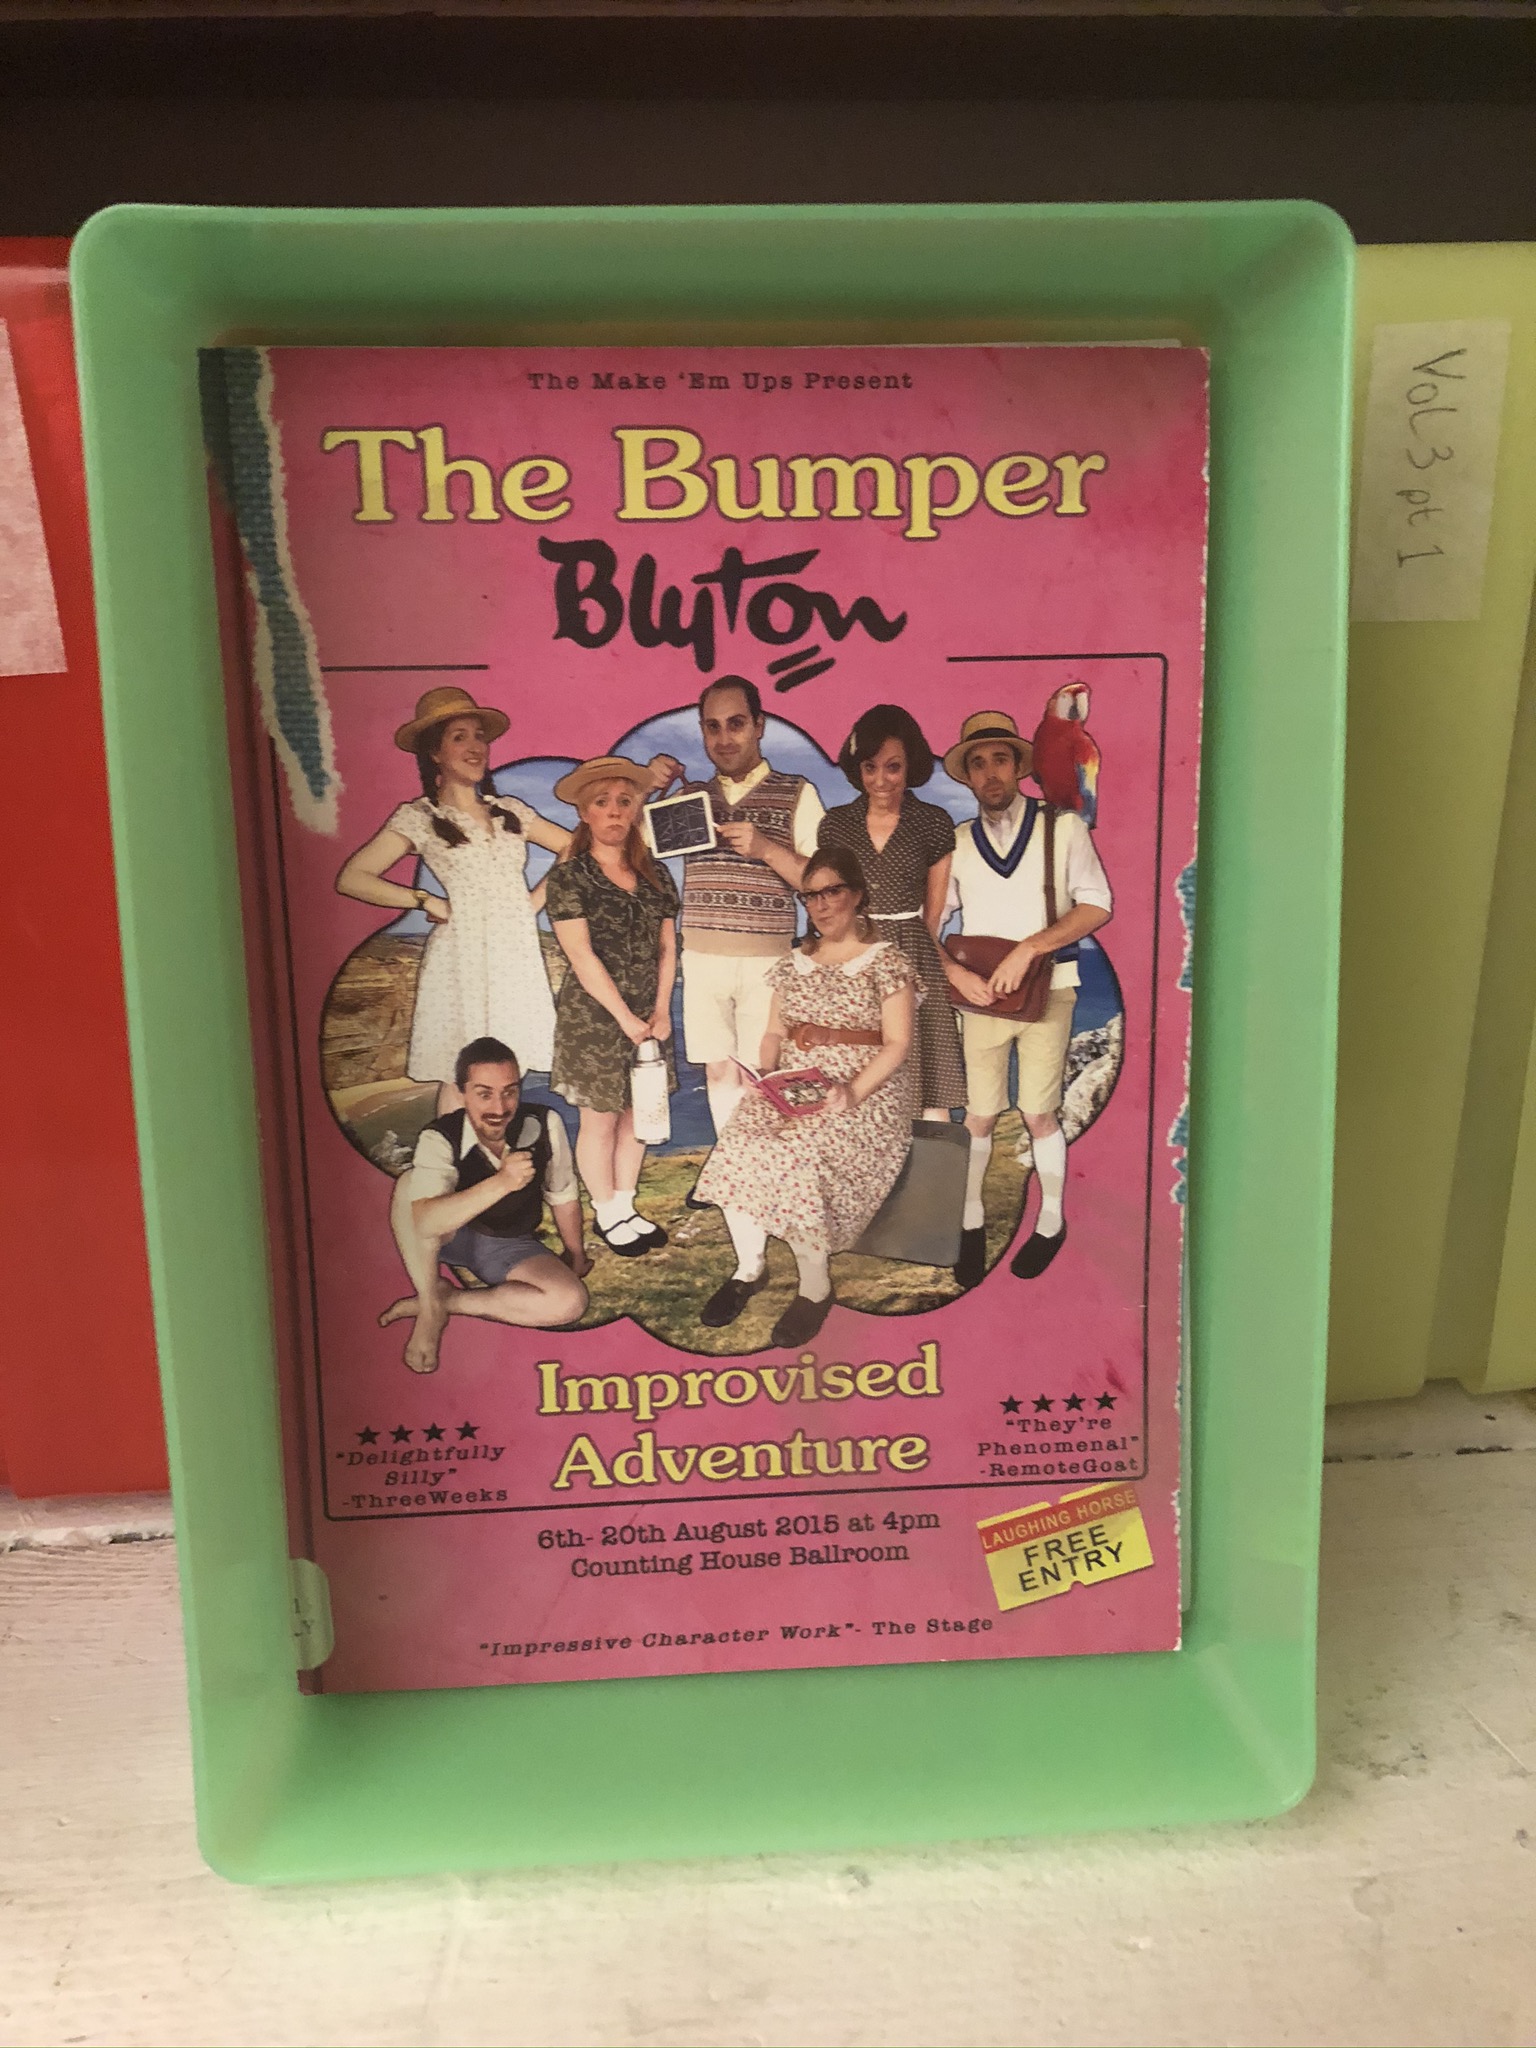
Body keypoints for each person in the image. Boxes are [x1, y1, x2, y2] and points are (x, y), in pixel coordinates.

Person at [693, 846, 917, 1349]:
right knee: (741, 1143)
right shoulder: (793, 963)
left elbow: (898, 1044)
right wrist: (766, 1071)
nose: (820, 905)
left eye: (832, 891)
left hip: (865, 1091)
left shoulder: (887, 961)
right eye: (810, 896)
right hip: (796, 1082)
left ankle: (816, 1287)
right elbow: (774, 1032)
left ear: (857, 895)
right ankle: (750, 1269)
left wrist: (852, 1092)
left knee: (797, 1153)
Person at [939, 710, 1113, 1289]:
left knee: (1039, 1114)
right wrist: (955, 975)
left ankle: (1051, 1221)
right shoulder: (957, 843)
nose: (990, 773)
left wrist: (1030, 949)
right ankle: (969, 1222)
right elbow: (927, 923)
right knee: (979, 1116)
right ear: (968, 775)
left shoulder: (1063, 828)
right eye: (978, 763)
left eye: (1000, 759)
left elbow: (1097, 904)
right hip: (980, 997)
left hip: (1051, 989)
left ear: (1019, 766)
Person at [335, 687, 570, 1111]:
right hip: (462, 956)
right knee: (461, 1075)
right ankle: (449, 1153)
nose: (475, 747)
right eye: (459, 737)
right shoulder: (422, 817)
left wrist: (534, 901)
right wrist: (424, 900)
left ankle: (497, 1154)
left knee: (508, 1072)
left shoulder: (510, 811)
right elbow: (353, 878)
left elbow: (574, 847)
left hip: (515, 954)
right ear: (435, 753)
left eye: (479, 736)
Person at [653, 677, 826, 1166]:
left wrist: (766, 848)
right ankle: (735, 1174)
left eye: (736, 724)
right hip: (701, 958)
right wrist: (648, 787)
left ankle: (766, 1174)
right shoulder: (689, 798)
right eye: (712, 727)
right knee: (718, 1074)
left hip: (769, 962)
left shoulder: (797, 793)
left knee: (763, 1074)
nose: (724, 738)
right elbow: (628, 848)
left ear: (759, 725)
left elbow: (821, 883)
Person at [379, 1037, 590, 1373]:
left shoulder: (544, 1123)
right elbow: (426, 1224)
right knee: (409, 1186)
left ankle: (449, 1300)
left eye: (510, 1092)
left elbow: (562, 1192)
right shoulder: (439, 1136)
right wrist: (502, 1182)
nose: (499, 1107)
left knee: (570, 1302)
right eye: (484, 1094)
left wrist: (575, 1252)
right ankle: (430, 1307)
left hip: (507, 1243)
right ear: (462, 1093)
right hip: (444, 1240)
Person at [545, 757, 680, 1258]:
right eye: (602, 802)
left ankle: (626, 1205)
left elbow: (668, 947)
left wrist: (662, 1011)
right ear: (585, 813)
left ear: (636, 809)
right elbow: (580, 956)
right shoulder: (569, 878)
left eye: (624, 801)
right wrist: (625, 1018)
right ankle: (606, 1213)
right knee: (600, 1119)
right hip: (594, 1019)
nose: (615, 811)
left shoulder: (656, 874)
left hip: (649, 1016)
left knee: (640, 1112)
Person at [818, 703, 966, 1119]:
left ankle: (930, 1163)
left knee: (927, 1084)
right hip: (852, 957)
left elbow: (933, 912)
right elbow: (830, 900)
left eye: (893, 767)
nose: (881, 780)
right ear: (858, 768)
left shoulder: (933, 822)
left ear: (910, 765)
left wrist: (920, 958)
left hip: (912, 954)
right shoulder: (836, 824)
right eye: (870, 767)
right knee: (855, 1074)